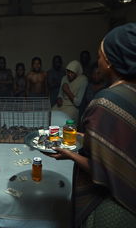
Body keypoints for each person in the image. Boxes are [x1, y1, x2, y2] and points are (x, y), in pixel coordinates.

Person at [45, 23, 136, 228]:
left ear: (111, 62)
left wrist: (69, 155)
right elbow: (122, 145)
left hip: (116, 208)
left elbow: (101, 169)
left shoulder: (107, 101)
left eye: (100, 56)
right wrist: (80, 137)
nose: (98, 61)